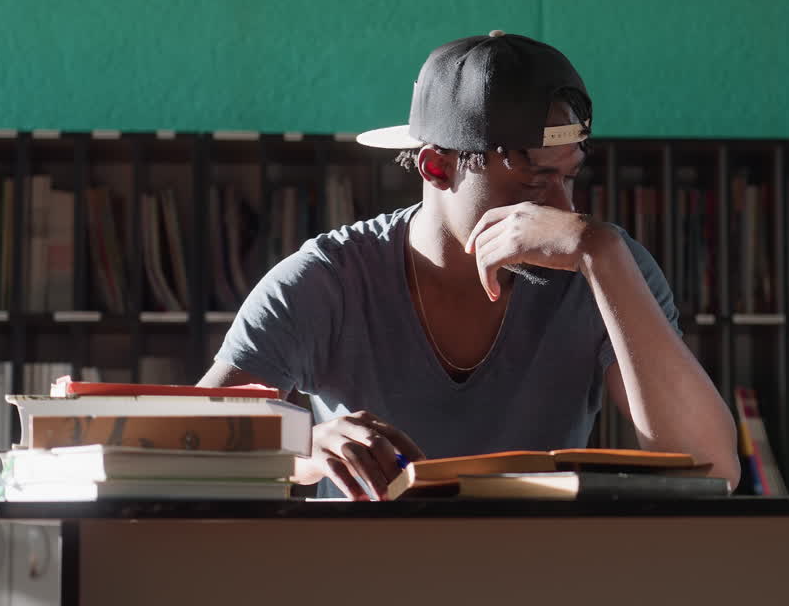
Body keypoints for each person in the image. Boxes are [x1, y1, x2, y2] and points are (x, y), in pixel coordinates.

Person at [199, 30, 739, 499]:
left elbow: (712, 471)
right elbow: (187, 452)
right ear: (437, 165)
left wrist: (604, 255)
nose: (561, 213)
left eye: (568, 177)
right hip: (360, 575)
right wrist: (307, 450)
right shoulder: (325, 281)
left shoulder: (600, 262)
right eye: (532, 182)